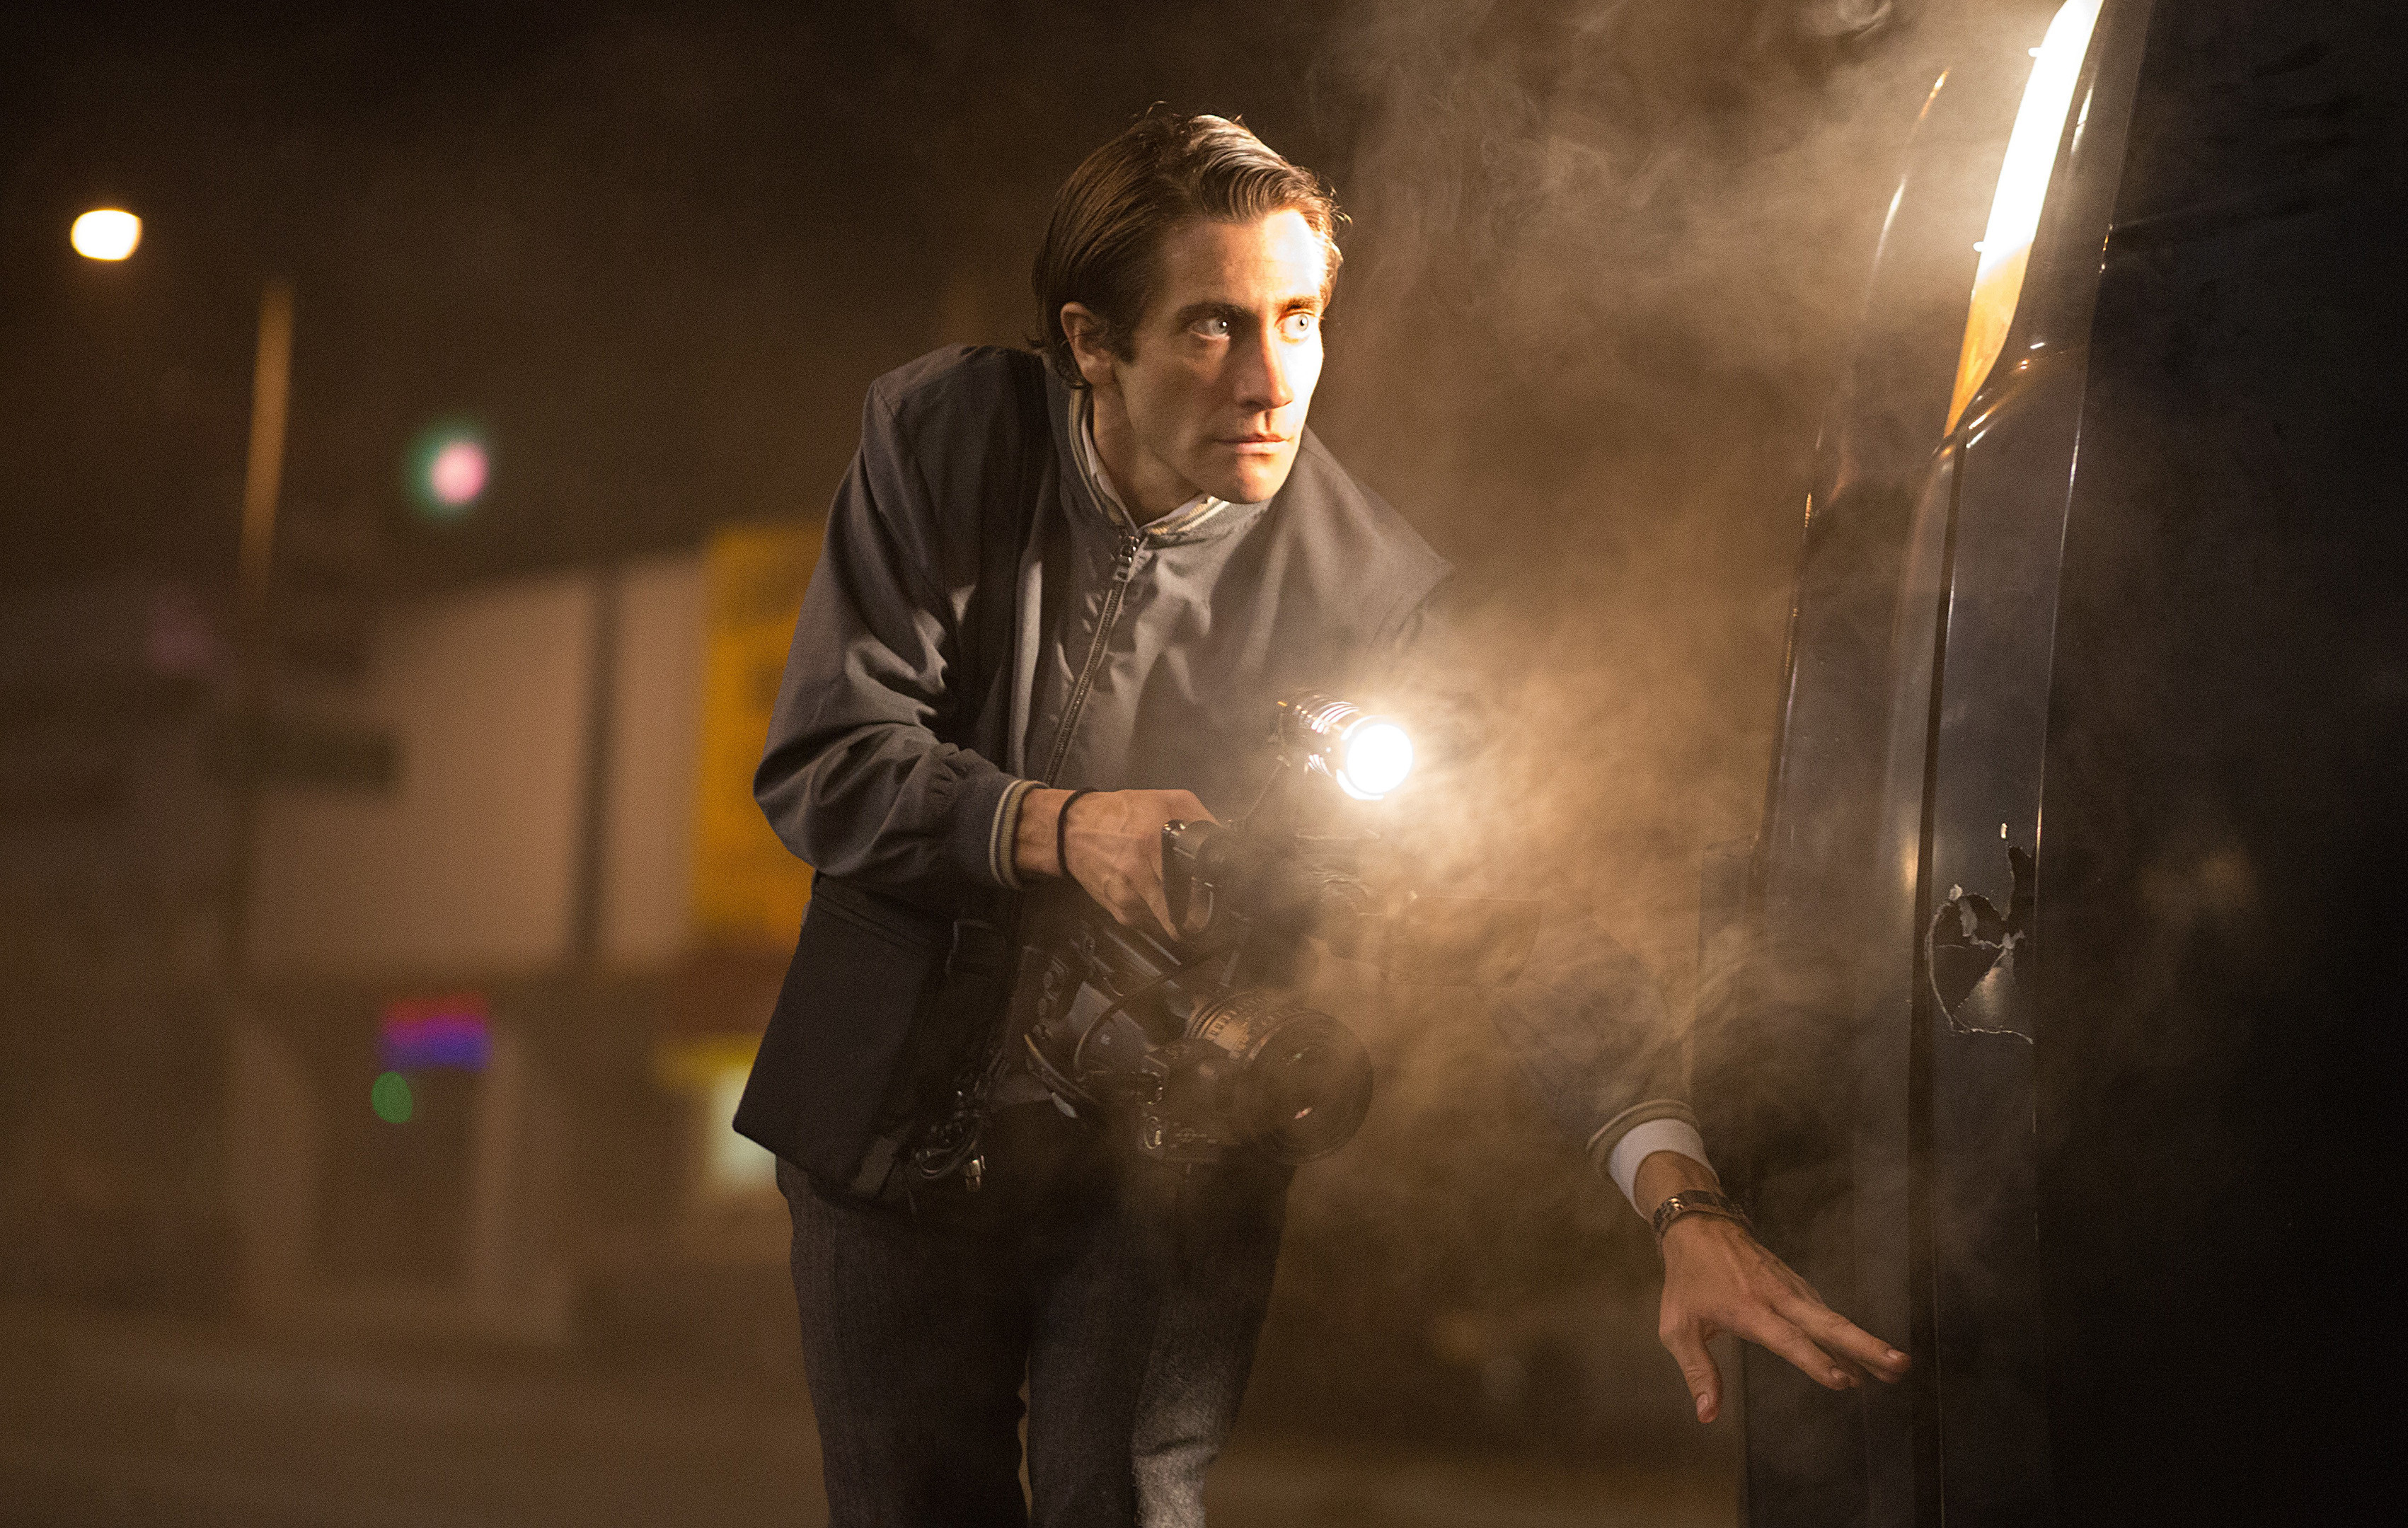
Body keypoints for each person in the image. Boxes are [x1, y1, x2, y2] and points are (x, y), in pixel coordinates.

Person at [733, 108, 1906, 1528]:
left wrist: (1685, 1204)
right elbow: (828, 764)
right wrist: (1064, 826)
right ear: (1093, 342)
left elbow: (1512, 911)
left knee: (1128, 1504)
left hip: (1171, 1165)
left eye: (1300, 318)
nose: (1272, 378)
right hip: (890, 1126)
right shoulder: (949, 434)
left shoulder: (1372, 594)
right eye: (1213, 326)